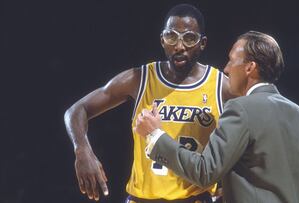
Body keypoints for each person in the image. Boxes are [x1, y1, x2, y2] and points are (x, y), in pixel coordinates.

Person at [64, 4, 232, 202]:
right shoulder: (140, 78)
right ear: (162, 40)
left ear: (202, 43)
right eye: (172, 37)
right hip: (141, 198)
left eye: (189, 38)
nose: (179, 46)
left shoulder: (220, 86)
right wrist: (82, 150)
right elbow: (76, 110)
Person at [135, 31, 299, 203]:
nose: (227, 69)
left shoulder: (240, 108)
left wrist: (155, 135)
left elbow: (205, 172)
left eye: (231, 61)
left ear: (250, 67)